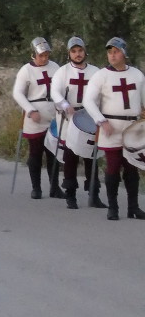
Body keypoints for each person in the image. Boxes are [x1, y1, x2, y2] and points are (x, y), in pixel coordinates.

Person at [83, 37, 145, 221]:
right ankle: (113, 207)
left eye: (116, 51)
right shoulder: (101, 75)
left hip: (133, 127)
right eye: (110, 52)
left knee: (132, 168)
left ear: (124, 53)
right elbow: (88, 101)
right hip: (110, 126)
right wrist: (101, 121)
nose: (112, 55)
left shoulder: (137, 75)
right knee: (112, 167)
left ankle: (133, 207)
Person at [51, 37, 105, 209]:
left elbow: (103, 92)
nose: (77, 54)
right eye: (74, 51)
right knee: (71, 156)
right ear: (69, 53)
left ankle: (94, 194)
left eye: (80, 50)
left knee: (91, 155)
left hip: (90, 116)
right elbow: (55, 92)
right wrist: (66, 106)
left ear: (84, 51)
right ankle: (71, 195)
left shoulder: (96, 71)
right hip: (70, 117)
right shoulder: (63, 72)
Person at [12, 37, 64, 199]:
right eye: (41, 55)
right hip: (34, 116)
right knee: (36, 153)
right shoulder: (26, 70)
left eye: (46, 55)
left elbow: (61, 88)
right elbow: (18, 93)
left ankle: (54, 187)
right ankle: (36, 187)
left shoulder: (55, 67)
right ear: (34, 54)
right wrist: (30, 109)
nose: (44, 58)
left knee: (53, 152)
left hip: (53, 113)